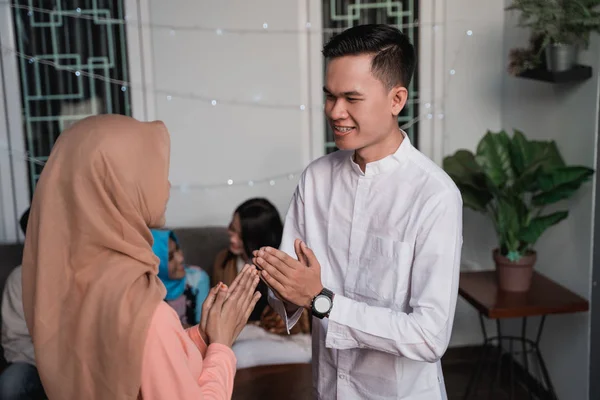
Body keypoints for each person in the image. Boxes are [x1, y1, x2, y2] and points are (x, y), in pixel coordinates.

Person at [253, 24, 463, 399]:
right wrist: (284, 288)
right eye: (330, 96)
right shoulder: (316, 179)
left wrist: (322, 300)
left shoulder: (434, 195)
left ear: (397, 99)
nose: (336, 112)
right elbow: (291, 295)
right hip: (327, 388)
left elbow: (430, 336)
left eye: (352, 97)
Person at [21, 114, 261, 400]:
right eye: (155, 173)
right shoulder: (144, 313)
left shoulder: (66, 287)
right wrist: (221, 346)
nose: (168, 185)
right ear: (120, 184)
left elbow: (138, 366)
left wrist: (201, 336)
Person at [213, 198, 311, 369]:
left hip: (290, 340)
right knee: (218, 345)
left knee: (238, 355)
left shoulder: (285, 265)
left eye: (238, 233)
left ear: (255, 237)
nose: (230, 235)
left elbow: (292, 325)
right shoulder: (224, 262)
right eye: (231, 228)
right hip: (242, 333)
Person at [0, 208, 46, 400]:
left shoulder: (86, 272)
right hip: (36, 363)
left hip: (84, 363)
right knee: (10, 386)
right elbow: (15, 339)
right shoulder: (19, 279)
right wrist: (52, 363)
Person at [151, 229, 210, 327]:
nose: (180, 258)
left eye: (177, 248)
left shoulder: (197, 279)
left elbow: (204, 328)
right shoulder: (145, 290)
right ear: (155, 264)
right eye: (170, 257)